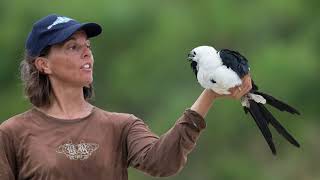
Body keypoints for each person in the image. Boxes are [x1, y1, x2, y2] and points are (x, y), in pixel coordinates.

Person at [0, 14, 252, 180]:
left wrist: (210, 91)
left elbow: (164, 162)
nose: (86, 53)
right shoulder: (12, 134)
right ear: (44, 65)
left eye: (87, 46)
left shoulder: (120, 126)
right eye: (72, 47)